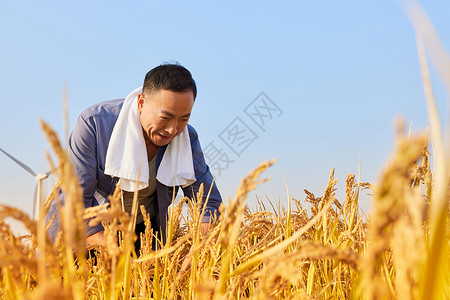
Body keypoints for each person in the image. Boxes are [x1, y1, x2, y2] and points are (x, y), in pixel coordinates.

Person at [46, 63, 222, 253]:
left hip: (144, 234)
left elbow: (209, 203)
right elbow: (75, 204)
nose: (173, 129)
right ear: (141, 103)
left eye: (184, 119)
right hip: (88, 233)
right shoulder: (94, 125)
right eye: (166, 117)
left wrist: (200, 251)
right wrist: (121, 258)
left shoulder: (187, 138)